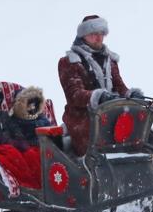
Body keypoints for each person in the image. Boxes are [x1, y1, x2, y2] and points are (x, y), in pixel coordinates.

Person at [58, 14, 144, 156]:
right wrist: (98, 96)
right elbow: (74, 95)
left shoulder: (110, 60)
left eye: (101, 34)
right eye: (93, 34)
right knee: (99, 138)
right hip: (82, 118)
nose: (98, 38)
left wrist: (130, 94)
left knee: (140, 132)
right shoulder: (69, 61)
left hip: (110, 115)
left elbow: (119, 86)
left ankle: (146, 163)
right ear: (83, 36)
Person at [8, 86, 51, 150]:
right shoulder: (14, 119)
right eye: (29, 104)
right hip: (30, 146)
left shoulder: (38, 114)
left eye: (34, 104)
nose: (32, 107)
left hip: (45, 142)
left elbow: (48, 125)